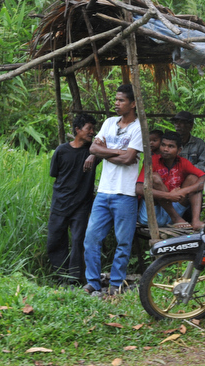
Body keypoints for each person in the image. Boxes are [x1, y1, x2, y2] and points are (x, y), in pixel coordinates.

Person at [83, 84, 143, 296]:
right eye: (115, 100)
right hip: (104, 192)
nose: (116, 104)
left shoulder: (138, 127)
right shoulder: (109, 123)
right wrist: (118, 150)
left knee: (123, 241)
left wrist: (104, 152)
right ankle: (93, 282)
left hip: (125, 194)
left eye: (121, 101)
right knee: (91, 238)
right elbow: (93, 148)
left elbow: (129, 159)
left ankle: (116, 283)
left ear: (133, 104)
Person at [47, 113, 98, 285]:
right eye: (88, 128)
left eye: (93, 129)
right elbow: (54, 174)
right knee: (55, 239)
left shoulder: (94, 152)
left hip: (81, 205)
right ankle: (62, 276)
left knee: (78, 241)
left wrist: (93, 154)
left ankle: (75, 278)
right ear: (77, 130)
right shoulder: (61, 150)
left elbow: (105, 144)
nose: (92, 132)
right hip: (60, 202)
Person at [136, 131, 205, 231]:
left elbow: (204, 178)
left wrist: (183, 191)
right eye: (163, 145)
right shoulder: (151, 161)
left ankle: (195, 221)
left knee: (193, 178)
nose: (165, 149)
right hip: (151, 216)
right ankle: (176, 218)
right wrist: (169, 196)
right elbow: (138, 188)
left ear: (179, 150)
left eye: (171, 146)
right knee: (154, 177)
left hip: (172, 213)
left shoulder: (183, 162)